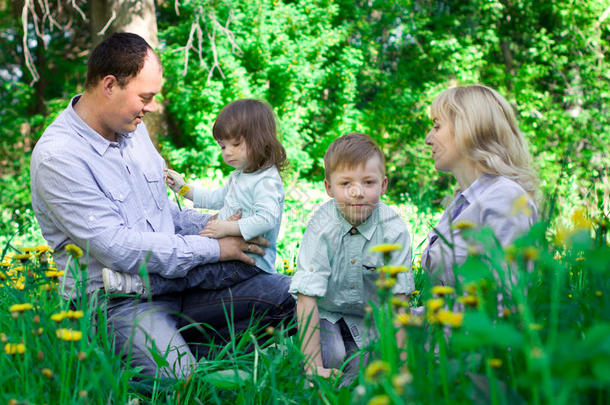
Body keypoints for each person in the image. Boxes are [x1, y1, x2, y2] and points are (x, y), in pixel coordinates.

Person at [30, 32, 295, 379]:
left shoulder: (132, 129)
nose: (152, 107)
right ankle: (174, 360)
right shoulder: (59, 157)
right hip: (119, 305)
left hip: (180, 286)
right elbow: (119, 249)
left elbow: (162, 212)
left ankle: (192, 351)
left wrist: (217, 223)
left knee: (300, 294)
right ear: (110, 85)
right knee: (179, 383)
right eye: (145, 97)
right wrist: (215, 248)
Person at [102, 99, 286, 296]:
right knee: (189, 255)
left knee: (194, 273)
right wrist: (184, 189)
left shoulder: (267, 181)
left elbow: (267, 219)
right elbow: (217, 198)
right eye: (223, 146)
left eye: (236, 144)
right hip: (230, 251)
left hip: (248, 262)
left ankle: (138, 285)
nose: (228, 152)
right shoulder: (242, 175)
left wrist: (227, 227)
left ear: (260, 140)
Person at [289, 133, 414, 382]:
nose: (357, 193)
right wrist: (313, 366)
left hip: (368, 317)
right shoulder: (321, 226)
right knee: (332, 358)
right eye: (346, 184)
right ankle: (303, 360)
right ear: (329, 187)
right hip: (325, 312)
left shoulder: (393, 229)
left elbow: (398, 300)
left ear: (384, 184)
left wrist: (402, 367)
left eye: (368, 182)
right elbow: (306, 297)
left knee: (367, 368)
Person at [422, 84, 538, 285]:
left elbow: (506, 303)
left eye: (437, 126)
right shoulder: (462, 203)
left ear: (467, 128)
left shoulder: (506, 199)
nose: (428, 139)